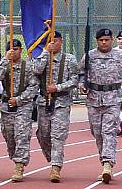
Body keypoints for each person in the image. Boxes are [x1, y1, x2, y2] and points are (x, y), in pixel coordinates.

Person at [79, 28, 122, 184]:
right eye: (101, 40)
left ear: (112, 40)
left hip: (114, 99)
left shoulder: (121, 57)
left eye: (107, 39)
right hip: (94, 99)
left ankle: (107, 165)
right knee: (97, 133)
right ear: (97, 41)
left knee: (108, 131)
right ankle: (104, 160)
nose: (104, 42)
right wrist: (82, 85)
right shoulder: (89, 56)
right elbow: (80, 73)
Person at [33, 31, 79, 182]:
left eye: (56, 41)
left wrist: (58, 87)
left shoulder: (69, 59)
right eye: (50, 41)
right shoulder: (43, 57)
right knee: (43, 134)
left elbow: (74, 81)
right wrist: (46, 52)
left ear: (61, 41)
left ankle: (56, 166)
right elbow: (36, 70)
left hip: (61, 103)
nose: (53, 43)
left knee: (57, 136)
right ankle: (51, 157)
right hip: (44, 102)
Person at [0, 39, 39, 182]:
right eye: (11, 49)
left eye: (17, 49)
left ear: (21, 50)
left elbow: (33, 87)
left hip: (23, 106)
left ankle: (19, 165)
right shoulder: (4, 65)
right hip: (7, 106)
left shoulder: (28, 66)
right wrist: (5, 60)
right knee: (9, 137)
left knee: (22, 136)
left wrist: (19, 99)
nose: (14, 51)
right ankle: (15, 157)